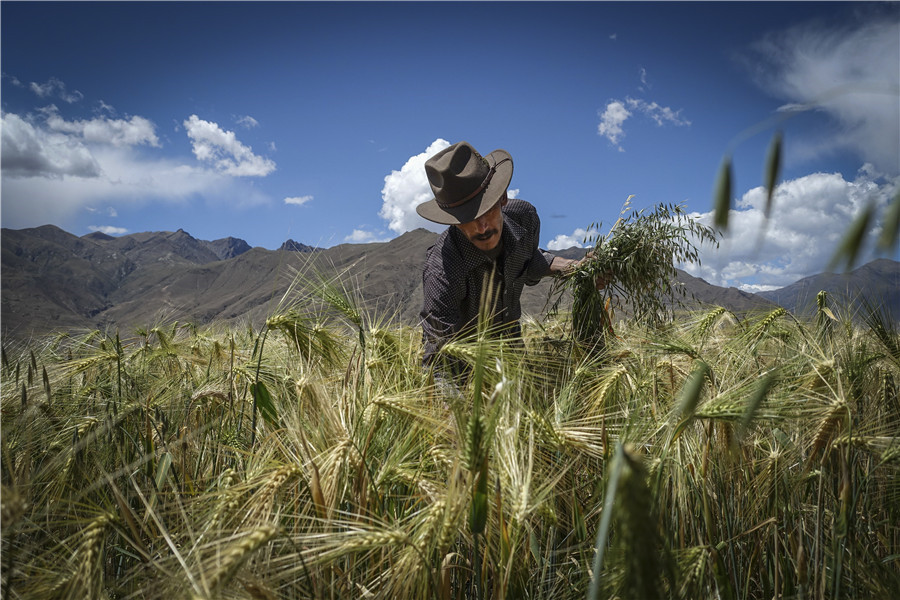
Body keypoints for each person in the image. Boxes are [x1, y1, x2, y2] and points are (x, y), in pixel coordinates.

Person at [415, 141, 588, 380]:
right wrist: (452, 411)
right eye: (467, 218)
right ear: (452, 220)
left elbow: (526, 260)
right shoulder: (442, 269)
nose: (482, 227)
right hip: (463, 362)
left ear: (503, 197)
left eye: (486, 210)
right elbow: (439, 361)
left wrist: (574, 268)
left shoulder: (525, 219)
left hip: (511, 349)